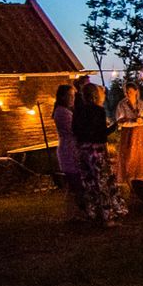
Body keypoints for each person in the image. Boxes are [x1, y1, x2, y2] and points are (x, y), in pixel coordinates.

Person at [68, 82, 125, 225]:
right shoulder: (98, 111)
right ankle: (107, 216)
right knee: (102, 182)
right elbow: (101, 133)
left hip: (82, 150)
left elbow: (74, 130)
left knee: (88, 182)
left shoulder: (78, 111)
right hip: (96, 151)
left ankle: (92, 213)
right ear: (96, 95)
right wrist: (116, 125)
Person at [113, 82, 143, 185]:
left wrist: (142, 121)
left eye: (130, 91)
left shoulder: (142, 104)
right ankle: (129, 179)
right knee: (129, 156)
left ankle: (141, 178)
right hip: (128, 134)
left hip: (140, 134)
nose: (128, 94)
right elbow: (120, 121)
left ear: (136, 91)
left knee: (141, 155)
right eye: (126, 92)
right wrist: (134, 122)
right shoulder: (122, 104)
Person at [51, 83, 81, 222]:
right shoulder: (62, 113)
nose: (72, 98)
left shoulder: (65, 111)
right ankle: (72, 214)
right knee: (74, 183)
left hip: (70, 148)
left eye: (73, 96)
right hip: (69, 150)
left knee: (73, 184)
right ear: (62, 97)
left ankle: (73, 213)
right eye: (70, 96)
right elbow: (73, 130)